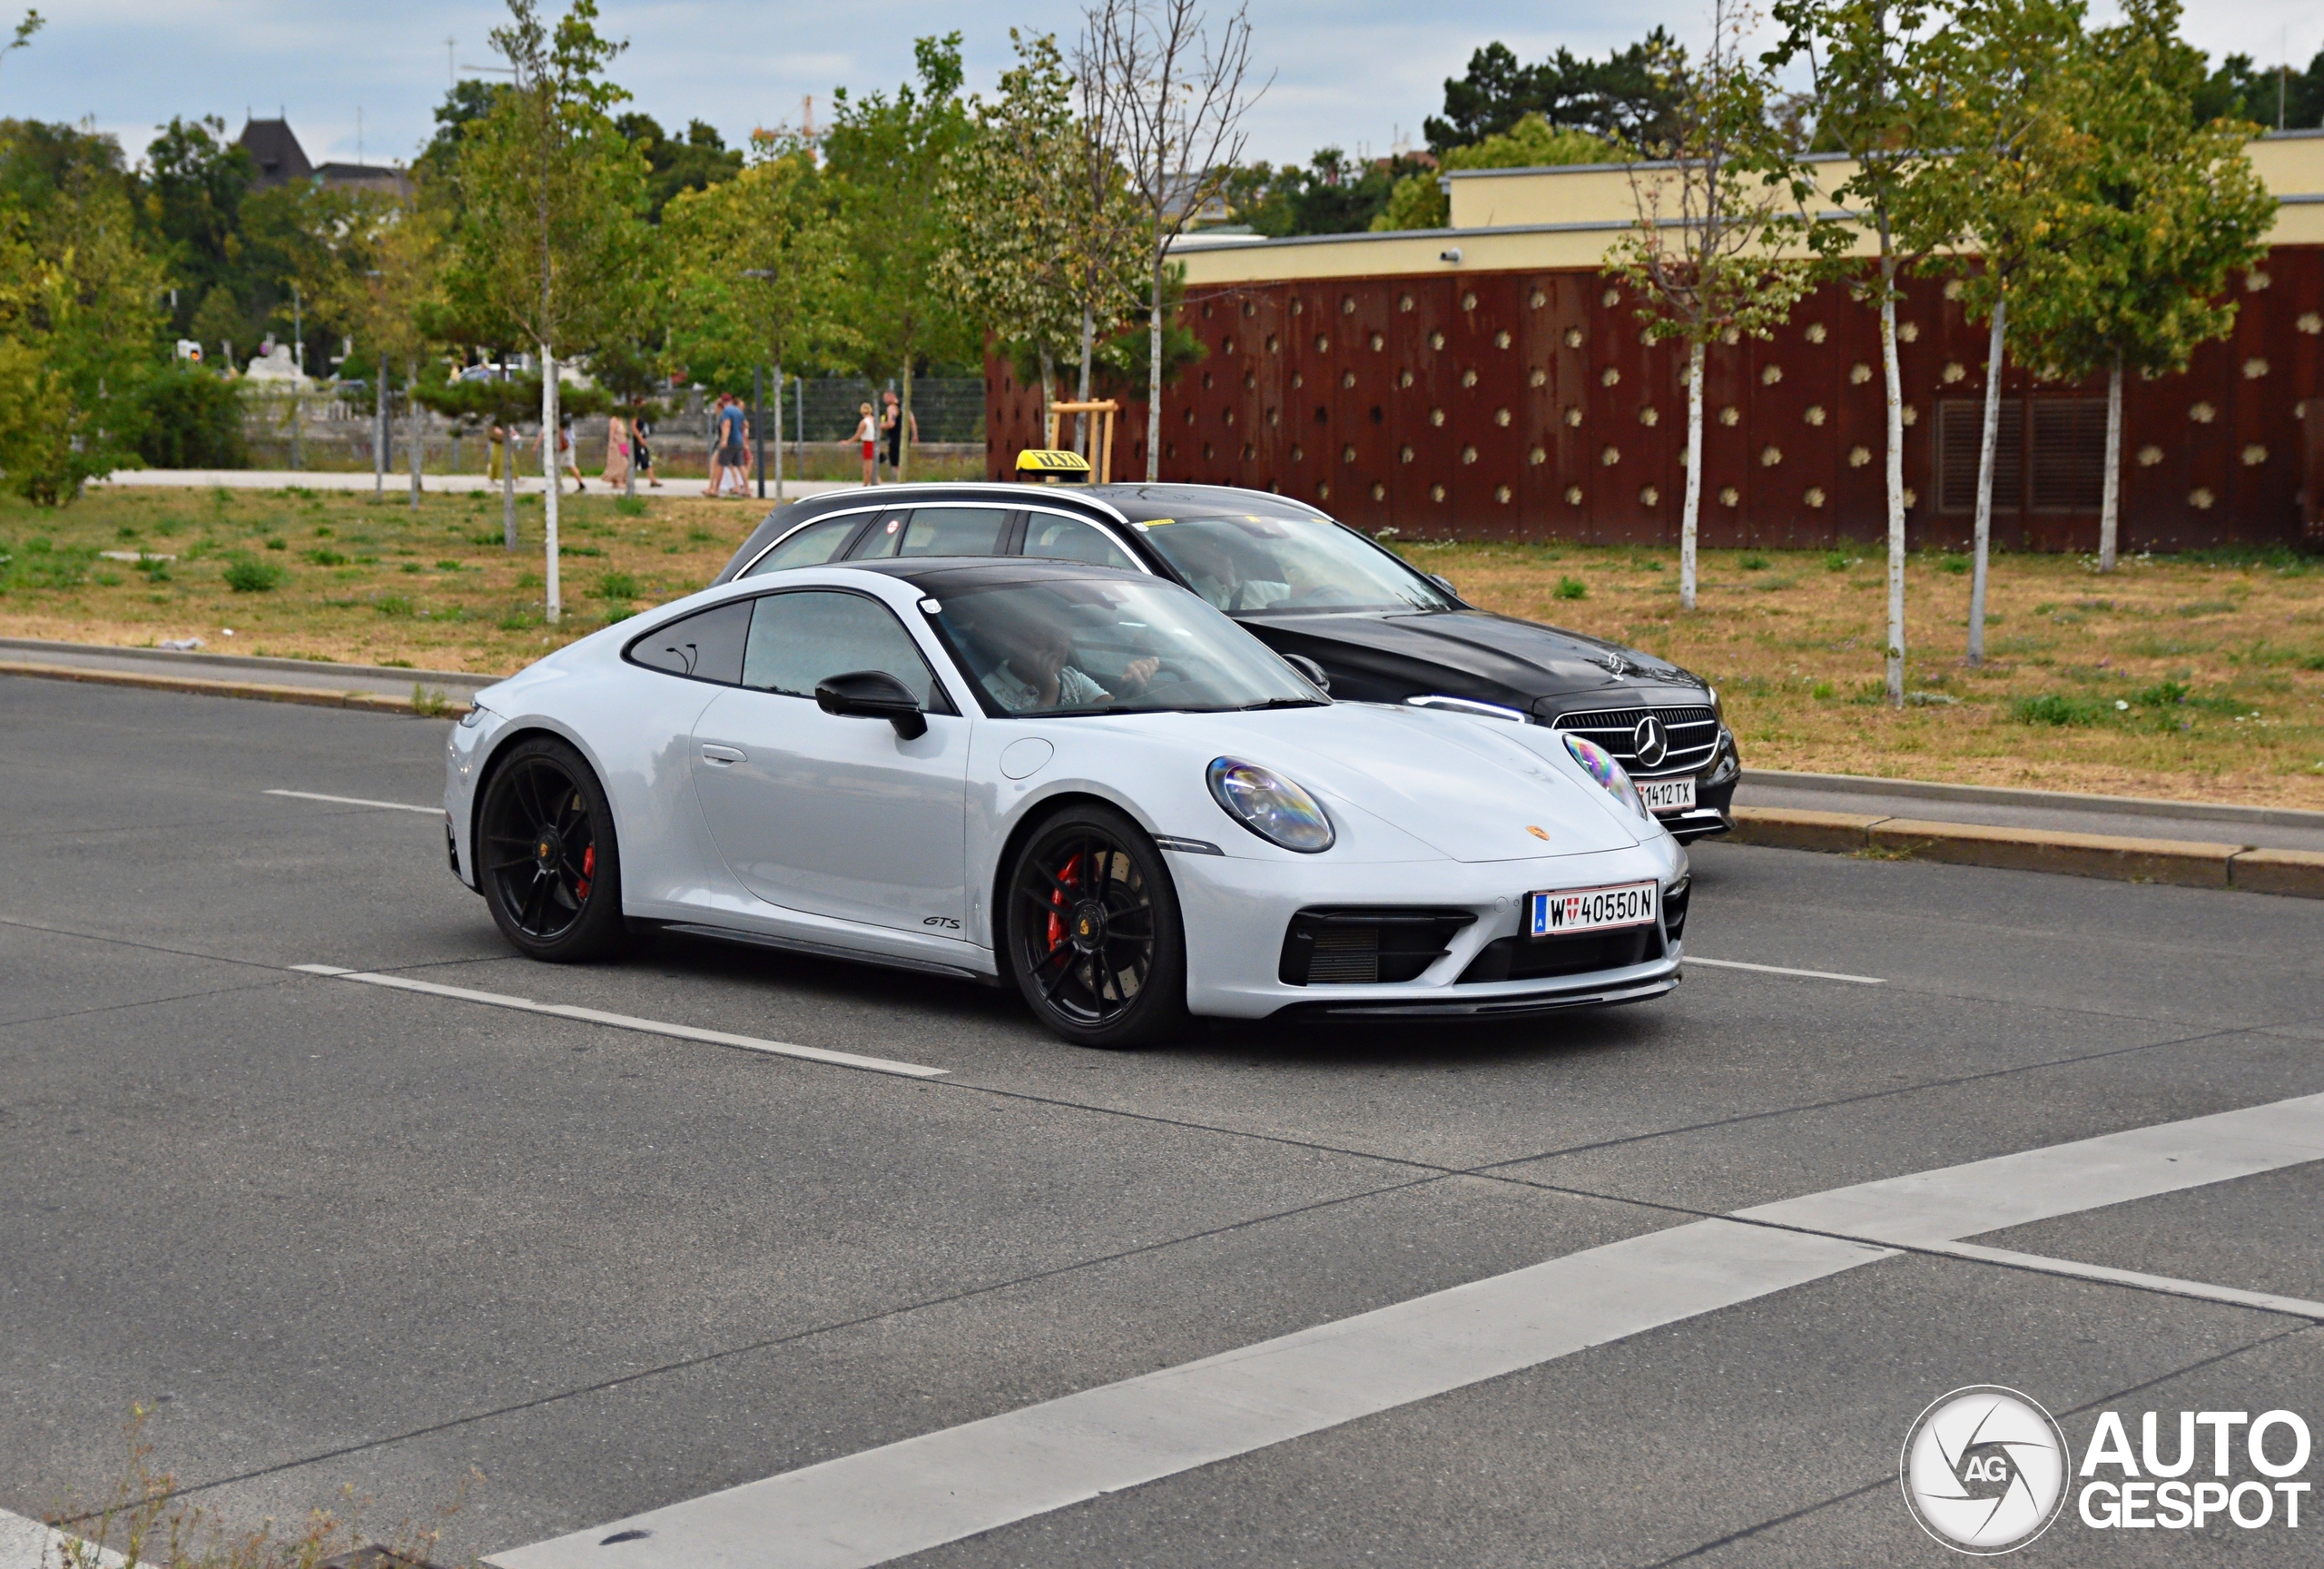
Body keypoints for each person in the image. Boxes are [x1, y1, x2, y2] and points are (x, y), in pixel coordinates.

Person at [704, 392, 749, 498]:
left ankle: (715, 489)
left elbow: (726, 424)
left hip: (730, 442)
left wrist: (724, 440)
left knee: (720, 464)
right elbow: (745, 424)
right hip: (738, 442)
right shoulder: (738, 411)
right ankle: (747, 489)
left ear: (722, 401)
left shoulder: (726, 411)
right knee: (740, 466)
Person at [537, 416, 585, 491]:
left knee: (554, 464)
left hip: (564, 444)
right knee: (570, 465)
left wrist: (559, 443)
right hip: (570, 443)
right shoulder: (568, 417)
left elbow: (560, 430)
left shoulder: (559, 416)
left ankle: (557, 485)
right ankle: (581, 484)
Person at [880, 389, 917, 480]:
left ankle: (900, 480)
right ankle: (902, 479)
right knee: (901, 460)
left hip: (895, 438)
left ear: (890, 396)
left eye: (885, 398)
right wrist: (914, 435)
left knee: (895, 463)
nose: (884, 400)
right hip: (904, 438)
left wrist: (879, 425)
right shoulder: (904, 407)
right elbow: (912, 421)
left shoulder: (891, 408)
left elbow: (891, 424)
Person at [849, 400, 879, 487]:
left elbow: (858, 435)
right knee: (873, 467)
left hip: (867, 443)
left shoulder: (864, 422)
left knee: (867, 468)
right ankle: (876, 483)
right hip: (873, 443)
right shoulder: (874, 420)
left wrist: (848, 442)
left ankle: (865, 484)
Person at [602, 413, 632, 490]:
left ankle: (621, 480)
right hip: (617, 444)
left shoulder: (622, 421)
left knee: (626, 462)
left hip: (623, 444)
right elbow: (612, 433)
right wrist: (611, 444)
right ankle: (618, 481)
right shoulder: (614, 420)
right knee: (619, 462)